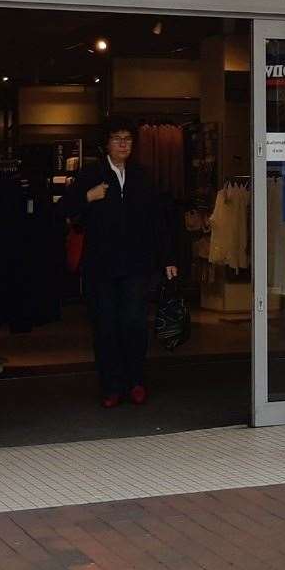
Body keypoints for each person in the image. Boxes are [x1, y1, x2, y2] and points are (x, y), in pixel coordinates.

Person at [61, 117, 177, 408]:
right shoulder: (91, 175)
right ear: (106, 144)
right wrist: (89, 196)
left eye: (128, 139)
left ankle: (136, 381)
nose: (123, 144)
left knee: (134, 324)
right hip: (100, 265)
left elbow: (158, 221)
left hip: (136, 264)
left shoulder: (142, 176)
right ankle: (111, 386)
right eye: (117, 139)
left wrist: (168, 258)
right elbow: (63, 209)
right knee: (105, 326)